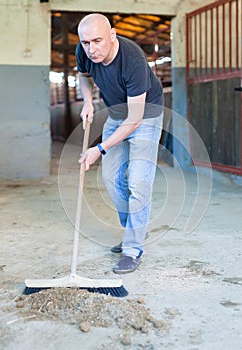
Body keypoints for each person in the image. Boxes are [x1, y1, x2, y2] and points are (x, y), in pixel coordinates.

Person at [76, 13, 164, 274]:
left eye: (97, 41)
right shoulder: (84, 50)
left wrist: (99, 148)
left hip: (145, 117)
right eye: (86, 43)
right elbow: (82, 75)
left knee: (138, 182)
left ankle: (133, 248)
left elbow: (135, 119)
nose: (92, 49)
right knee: (112, 179)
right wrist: (88, 101)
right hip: (116, 115)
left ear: (112, 35)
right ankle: (132, 233)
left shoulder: (133, 60)